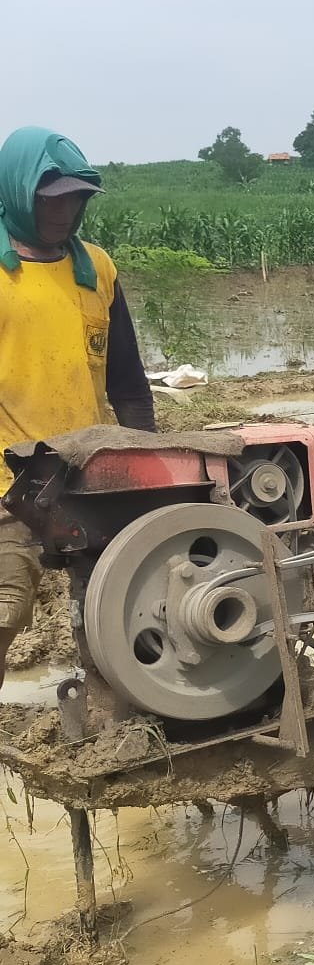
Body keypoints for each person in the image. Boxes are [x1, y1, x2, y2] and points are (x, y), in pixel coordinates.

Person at [0, 127, 156, 685]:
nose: (65, 212)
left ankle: (109, 719)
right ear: (18, 194)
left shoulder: (97, 269)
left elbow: (129, 384)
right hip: (9, 480)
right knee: (6, 608)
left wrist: (151, 459)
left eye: (75, 198)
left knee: (113, 610)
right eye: (51, 200)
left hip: (88, 475)